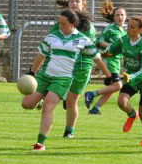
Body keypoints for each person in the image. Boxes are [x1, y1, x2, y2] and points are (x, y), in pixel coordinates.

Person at [21, 9, 112, 151]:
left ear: (73, 24)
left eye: (63, 24)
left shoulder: (82, 40)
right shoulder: (52, 37)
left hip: (63, 79)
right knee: (26, 104)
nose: (60, 26)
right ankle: (40, 98)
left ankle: (40, 144)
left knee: (48, 107)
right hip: (44, 76)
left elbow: (97, 58)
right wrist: (32, 72)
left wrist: (109, 75)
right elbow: (41, 55)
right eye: (59, 23)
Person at [104, 15, 142, 147]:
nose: (128, 29)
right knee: (121, 102)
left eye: (132, 27)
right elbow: (111, 51)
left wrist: (132, 77)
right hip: (132, 78)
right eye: (128, 25)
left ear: (141, 30)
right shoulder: (123, 40)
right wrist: (97, 53)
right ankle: (131, 115)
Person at [53, 0, 98, 138]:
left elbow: (85, 47)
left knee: (72, 101)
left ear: (82, 4)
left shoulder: (88, 26)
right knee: (53, 96)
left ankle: (69, 131)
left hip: (81, 67)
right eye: (71, 1)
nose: (74, 3)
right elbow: (52, 40)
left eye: (77, 1)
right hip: (62, 65)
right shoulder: (60, 23)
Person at [85, 0, 127, 115]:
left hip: (117, 61)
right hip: (110, 60)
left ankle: (95, 109)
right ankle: (91, 94)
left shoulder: (124, 30)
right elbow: (99, 41)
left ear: (125, 16)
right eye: (118, 15)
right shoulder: (110, 28)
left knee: (112, 87)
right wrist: (111, 46)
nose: (120, 17)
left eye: (122, 15)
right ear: (114, 17)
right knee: (118, 86)